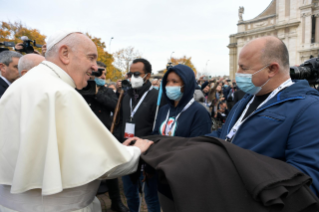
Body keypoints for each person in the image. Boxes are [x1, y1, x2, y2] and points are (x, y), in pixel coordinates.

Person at [0, 30, 153, 212]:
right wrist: (136, 151)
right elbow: (101, 163)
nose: (95, 68)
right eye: (91, 58)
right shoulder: (60, 92)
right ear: (65, 54)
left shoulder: (21, 84)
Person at [207, 36, 319, 196]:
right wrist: (186, 148)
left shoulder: (309, 109)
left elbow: (306, 185)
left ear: (272, 69)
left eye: (243, 68)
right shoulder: (247, 99)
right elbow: (226, 134)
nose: (237, 74)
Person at [115, 58, 161, 212]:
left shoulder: (156, 96)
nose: (132, 77)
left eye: (137, 73)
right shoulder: (125, 95)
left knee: (150, 196)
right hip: (127, 150)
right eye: (130, 73)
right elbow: (121, 121)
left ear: (147, 75)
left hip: (147, 153)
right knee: (129, 193)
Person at [153, 64, 212, 137]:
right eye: (167, 81)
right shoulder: (164, 110)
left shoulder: (199, 112)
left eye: (174, 82)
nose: (169, 85)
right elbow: (155, 135)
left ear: (187, 84)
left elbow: (199, 144)